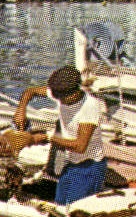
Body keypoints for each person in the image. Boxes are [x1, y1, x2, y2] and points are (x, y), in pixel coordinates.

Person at [44, 65, 107, 205]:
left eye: (61, 99)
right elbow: (31, 92)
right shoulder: (61, 92)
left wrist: (48, 137)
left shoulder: (90, 106)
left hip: (89, 167)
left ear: (73, 94)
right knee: (59, 204)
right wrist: (21, 109)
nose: (59, 102)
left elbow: (80, 146)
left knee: (75, 210)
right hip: (71, 164)